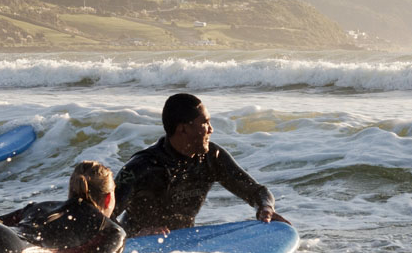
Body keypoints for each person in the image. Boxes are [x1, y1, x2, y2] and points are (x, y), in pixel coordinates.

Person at [113, 93, 284, 237]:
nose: (211, 129)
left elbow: (256, 191)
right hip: (136, 249)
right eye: (205, 122)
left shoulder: (212, 158)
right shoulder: (141, 167)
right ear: (183, 129)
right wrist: (138, 234)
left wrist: (265, 207)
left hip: (184, 243)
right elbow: (104, 216)